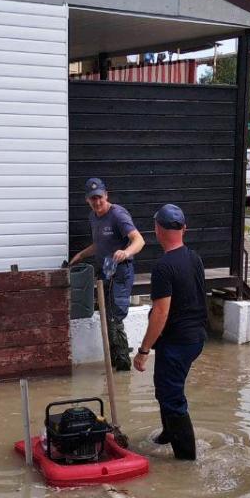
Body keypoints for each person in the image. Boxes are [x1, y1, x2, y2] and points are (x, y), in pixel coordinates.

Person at [132, 204, 207, 460]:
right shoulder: (194, 257)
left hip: (178, 341)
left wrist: (143, 350)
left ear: (158, 230)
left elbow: (160, 313)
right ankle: (168, 433)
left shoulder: (163, 267)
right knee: (164, 388)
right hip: (196, 337)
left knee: (172, 397)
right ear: (184, 229)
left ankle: (186, 460)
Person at [69, 177, 145, 371]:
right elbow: (100, 244)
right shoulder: (93, 217)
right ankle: (113, 363)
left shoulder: (118, 215)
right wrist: (81, 255)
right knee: (106, 314)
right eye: (93, 198)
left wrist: (126, 252)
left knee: (114, 317)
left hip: (121, 271)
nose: (97, 202)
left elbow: (139, 240)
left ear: (106, 195)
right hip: (105, 270)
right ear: (87, 200)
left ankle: (123, 367)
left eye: (100, 197)